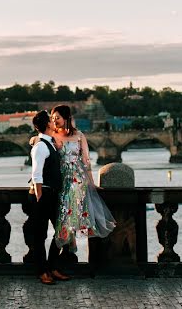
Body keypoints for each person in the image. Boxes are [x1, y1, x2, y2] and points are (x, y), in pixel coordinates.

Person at [49, 104, 116, 251]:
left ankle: (71, 236)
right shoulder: (51, 135)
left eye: (57, 118)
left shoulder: (79, 135)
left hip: (78, 177)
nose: (55, 121)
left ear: (66, 118)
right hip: (61, 176)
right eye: (53, 118)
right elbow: (40, 143)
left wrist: (91, 182)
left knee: (74, 204)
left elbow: (86, 160)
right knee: (64, 208)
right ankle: (68, 237)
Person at [27, 110, 70, 285]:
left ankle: (52, 267)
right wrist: (39, 197)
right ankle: (42, 271)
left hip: (52, 194)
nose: (54, 122)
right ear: (47, 125)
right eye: (51, 121)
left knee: (62, 232)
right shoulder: (41, 146)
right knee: (40, 235)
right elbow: (36, 174)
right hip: (43, 194)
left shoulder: (49, 143)